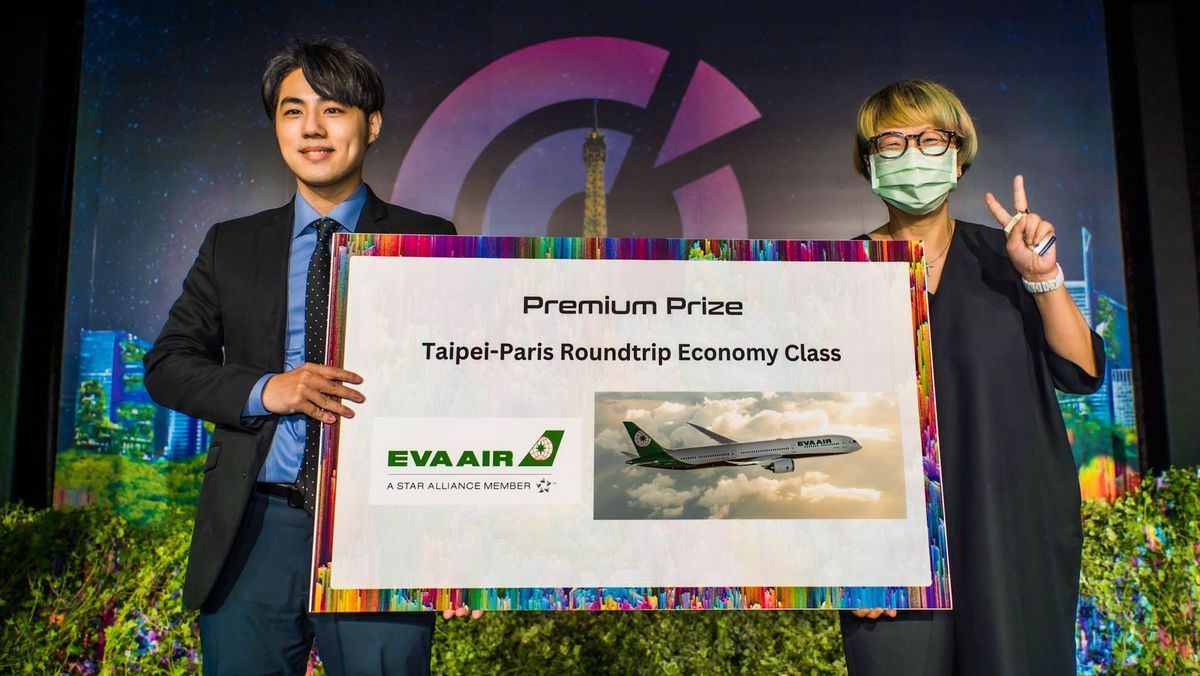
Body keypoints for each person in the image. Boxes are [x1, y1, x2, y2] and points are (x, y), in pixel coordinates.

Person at [144, 39, 477, 675]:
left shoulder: (428, 239)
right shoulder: (231, 245)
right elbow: (168, 365)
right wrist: (268, 389)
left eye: (333, 109)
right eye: (293, 111)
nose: (312, 128)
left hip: (383, 528)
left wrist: (463, 541)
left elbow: (464, 391)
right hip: (255, 526)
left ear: (371, 125)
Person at [840, 79, 1104, 674]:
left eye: (931, 139)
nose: (913, 154)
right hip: (894, 555)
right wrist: (849, 552)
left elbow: (1082, 372)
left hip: (1014, 532)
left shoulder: (1008, 257)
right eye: (892, 141)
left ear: (958, 157)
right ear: (869, 162)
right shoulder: (836, 275)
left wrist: (1042, 276)